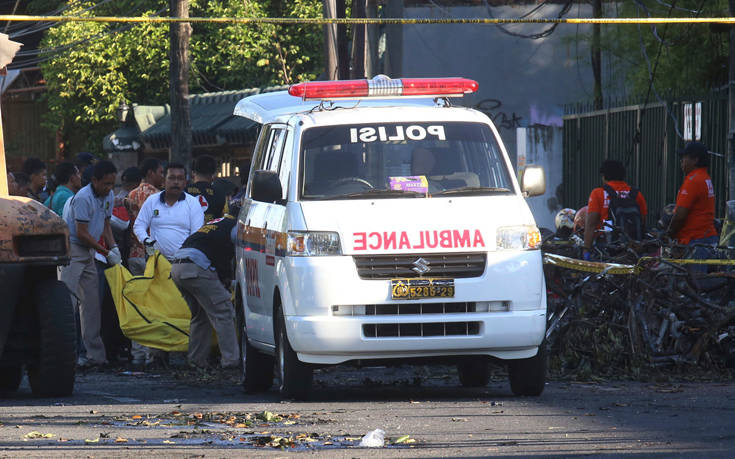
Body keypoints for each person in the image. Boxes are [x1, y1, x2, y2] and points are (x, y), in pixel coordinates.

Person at [60, 160, 121, 368]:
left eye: (112, 184)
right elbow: (82, 233)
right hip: (74, 249)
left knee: (92, 304)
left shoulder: (109, 195)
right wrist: (105, 251)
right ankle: (64, 353)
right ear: (94, 180)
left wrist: (114, 248)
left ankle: (96, 356)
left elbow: (105, 225)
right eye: (105, 184)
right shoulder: (83, 198)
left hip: (90, 251)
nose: (109, 188)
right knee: (66, 301)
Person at [170, 208, 240, 370]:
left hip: (177, 266)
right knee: (223, 312)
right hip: (196, 267)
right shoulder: (236, 228)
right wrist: (226, 277)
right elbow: (223, 254)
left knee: (200, 316)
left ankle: (196, 360)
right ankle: (231, 361)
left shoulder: (216, 223)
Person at [133, 162, 204, 261]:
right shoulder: (152, 201)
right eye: (171, 178)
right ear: (164, 180)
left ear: (185, 182)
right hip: (156, 261)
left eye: (180, 178)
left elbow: (196, 235)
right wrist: (146, 240)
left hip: (183, 263)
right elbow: (139, 225)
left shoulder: (193, 203)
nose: (176, 182)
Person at [668, 142, 717, 280]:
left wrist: (669, 234)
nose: (682, 161)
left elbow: (680, 216)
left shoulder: (693, 180)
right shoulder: (705, 177)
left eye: (685, 157)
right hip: (706, 237)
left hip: (696, 241)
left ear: (695, 160)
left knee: (694, 286)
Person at [583, 160, 647, 260]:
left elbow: (591, 224)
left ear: (604, 176)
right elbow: (642, 222)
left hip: (607, 249)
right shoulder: (636, 194)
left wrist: (586, 250)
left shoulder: (598, 193)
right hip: (633, 249)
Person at [126, 158, 164, 275]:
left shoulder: (132, 194)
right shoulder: (157, 195)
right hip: (152, 255)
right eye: (161, 172)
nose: (163, 176)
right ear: (150, 173)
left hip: (134, 254)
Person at [187, 155, 228, 222]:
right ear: (213, 174)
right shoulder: (220, 195)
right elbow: (225, 219)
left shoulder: (184, 192)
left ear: (193, 173)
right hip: (212, 232)